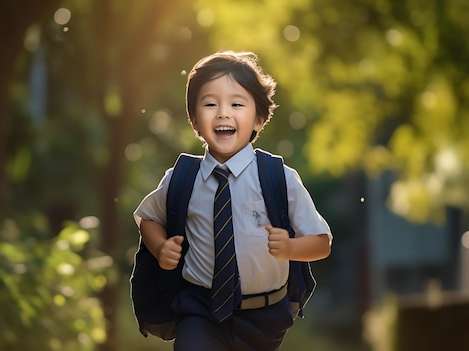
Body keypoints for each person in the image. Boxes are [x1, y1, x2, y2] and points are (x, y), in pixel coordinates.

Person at [133, 51, 332, 351]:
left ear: (259, 119)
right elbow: (149, 218)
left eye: (237, 104)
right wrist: (160, 247)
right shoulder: (182, 177)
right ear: (194, 121)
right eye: (210, 104)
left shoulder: (278, 177)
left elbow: (321, 243)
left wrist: (291, 247)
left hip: (264, 316)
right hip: (200, 308)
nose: (223, 113)